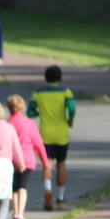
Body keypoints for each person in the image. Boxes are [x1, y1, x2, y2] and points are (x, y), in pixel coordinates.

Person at [29, 65, 75, 211]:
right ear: (60, 78)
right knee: (61, 165)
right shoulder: (66, 93)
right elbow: (72, 108)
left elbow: (30, 112)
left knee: (47, 164)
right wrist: (70, 120)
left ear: (45, 78)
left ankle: (47, 190)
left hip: (45, 134)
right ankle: (61, 199)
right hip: (61, 133)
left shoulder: (37, 94)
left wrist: (40, 113)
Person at [7, 94, 49, 219]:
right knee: (22, 187)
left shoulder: (8, 124)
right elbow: (38, 144)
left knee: (13, 187)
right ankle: (20, 214)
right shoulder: (30, 124)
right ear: (22, 107)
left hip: (11, 160)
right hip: (27, 160)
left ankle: (15, 212)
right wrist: (45, 162)